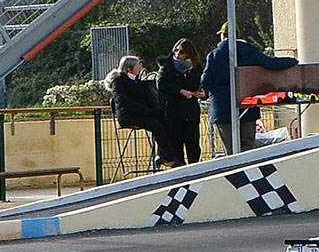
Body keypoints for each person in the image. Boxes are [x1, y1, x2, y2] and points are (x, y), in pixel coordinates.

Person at [200, 22, 298, 153]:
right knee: (248, 148)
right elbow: (271, 63)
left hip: (223, 108)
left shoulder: (214, 55)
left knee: (231, 151)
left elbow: (205, 82)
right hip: (247, 104)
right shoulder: (250, 51)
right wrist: (293, 61)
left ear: (223, 35)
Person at [105, 55, 178, 169]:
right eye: (138, 65)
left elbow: (149, 99)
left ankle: (163, 156)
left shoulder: (139, 82)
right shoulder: (118, 82)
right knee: (156, 126)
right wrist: (147, 111)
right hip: (129, 116)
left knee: (166, 121)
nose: (140, 67)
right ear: (129, 68)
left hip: (143, 114)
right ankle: (169, 157)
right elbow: (123, 101)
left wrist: (156, 110)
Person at [156, 38, 206, 166]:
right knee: (177, 147)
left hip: (191, 113)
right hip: (174, 112)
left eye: (182, 51)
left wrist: (203, 93)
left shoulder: (197, 68)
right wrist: (181, 91)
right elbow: (160, 84)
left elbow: (203, 84)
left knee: (193, 147)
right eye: (176, 50)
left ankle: (196, 173)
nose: (178, 54)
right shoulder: (167, 66)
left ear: (189, 53)